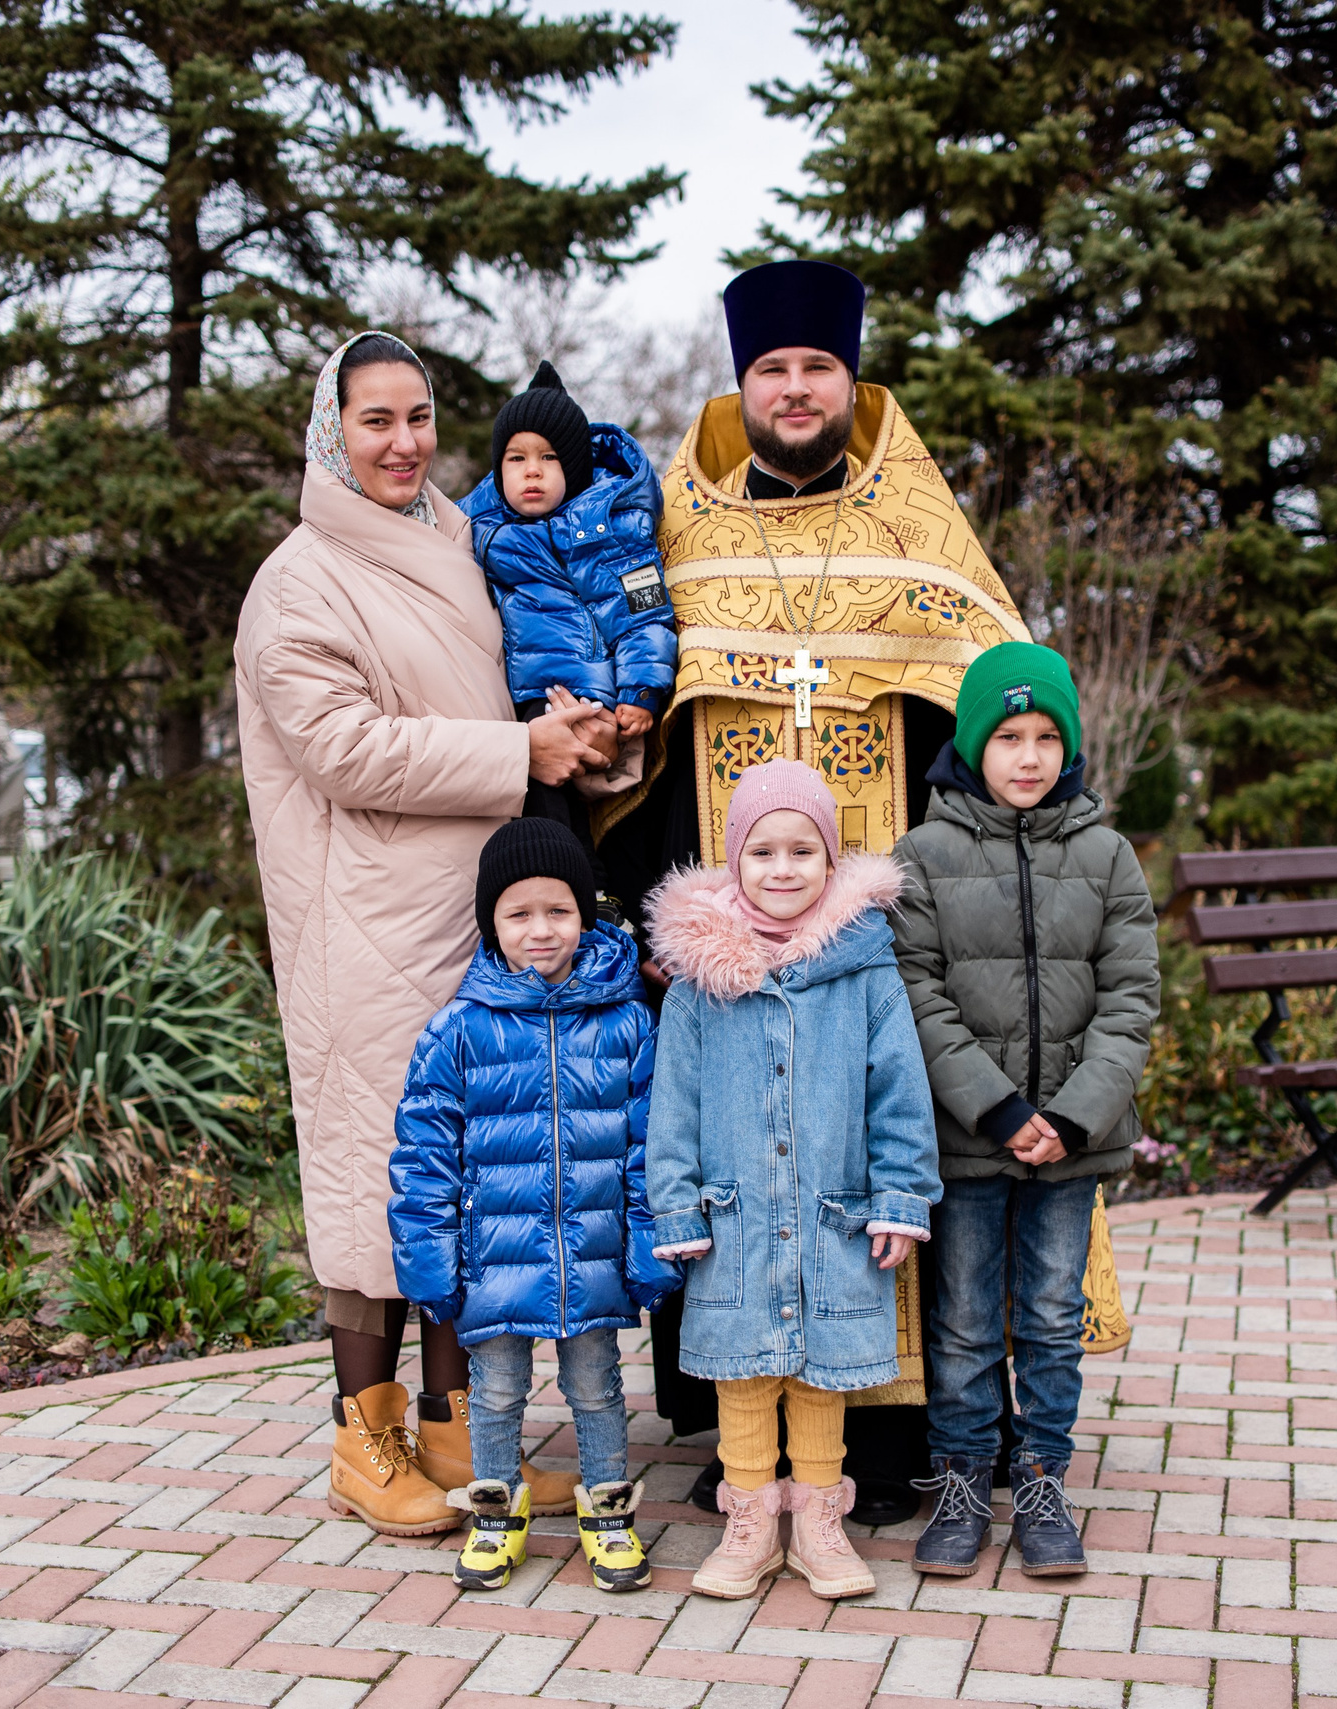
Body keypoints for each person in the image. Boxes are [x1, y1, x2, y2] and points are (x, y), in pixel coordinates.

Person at [596, 259, 1035, 1522]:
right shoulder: (680, 532)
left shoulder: (918, 534)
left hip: (877, 925)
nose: (795, 390)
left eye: (817, 369)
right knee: (736, 1146)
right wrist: (655, 912)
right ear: (745, 387)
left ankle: (891, 1441)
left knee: (867, 1145)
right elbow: (650, 744)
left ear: (852, 381)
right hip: (728, 917)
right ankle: (734, 1436)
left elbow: (990, 710)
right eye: (772, 372)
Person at [234, 331, 612, 1537]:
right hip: (361, 925)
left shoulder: (462, 538)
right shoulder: (297, 582)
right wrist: (520, 754)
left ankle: (460, 1434)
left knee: (464, 1173)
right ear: (328, 432)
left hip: (471, 913)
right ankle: (366, 1441)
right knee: (370, 1180)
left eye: (418, 417)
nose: (403, 444)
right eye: (374, 421)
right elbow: (344, 748)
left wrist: (577, 727)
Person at [886, 642, 1159, 1577]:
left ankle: (1040, 1475)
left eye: (1047, 736)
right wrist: (999, 1110)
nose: (1030, 756)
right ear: (973, 744)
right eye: (1008, 736)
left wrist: (1073, 1118)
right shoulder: (920, 857)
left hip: (1071, 1150)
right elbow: (915, 995)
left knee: (1048, 1315)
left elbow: (1132, 1000)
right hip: (970, 1141)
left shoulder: (1107, 854)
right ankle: (963, 1478)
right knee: (962, 1318)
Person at [641, 761, 943, 1601]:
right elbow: (674, 1103)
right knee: (743, 1365)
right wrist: (674, 1200)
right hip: (734, 1215)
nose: (782, 868)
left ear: (831, 859)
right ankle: (749, 1520)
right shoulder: (702, 982)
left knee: (819, 1366)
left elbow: (899, 1093)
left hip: (830, 1212)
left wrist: (897, 1198)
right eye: (763, 850)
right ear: (734, 859)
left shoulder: (865, 970)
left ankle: (816, 1520)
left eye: (802, 850)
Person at [387, 818, 675, 1593]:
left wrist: (648, 1244)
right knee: (497, 1390)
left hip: (594, 1249)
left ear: (587, 914)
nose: (541, 930)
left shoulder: (625, 1022)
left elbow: (652, 1142)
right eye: (519, 914)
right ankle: (494, 1516)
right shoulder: (457, 1031)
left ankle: (609, 1516)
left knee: (598, 1386)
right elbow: (423, 1157)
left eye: (559, 910)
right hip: (495, 1258)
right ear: (492, 924)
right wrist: (429, 1259)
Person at [460, 361, 676, 909]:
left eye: (549, 458)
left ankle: (599, 891)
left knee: (603, 809)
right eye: (516, 459)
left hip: (587, 694)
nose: (531, 472)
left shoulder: (615, 533)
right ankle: (579, 890)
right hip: (517, 701)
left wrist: (642, 690)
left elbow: (644, 612)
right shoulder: (479, 531)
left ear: (575, 467)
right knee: (541, 803)